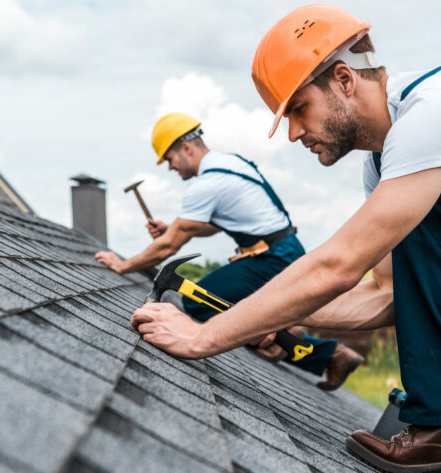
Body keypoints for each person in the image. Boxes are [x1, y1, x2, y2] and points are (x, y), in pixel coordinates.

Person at [130, 4, 441, 473]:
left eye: (299, 109)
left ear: (344, 80)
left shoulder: (433, 115)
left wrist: (206, 336)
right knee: (431, 218)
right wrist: (271, 317)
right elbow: (386, 294)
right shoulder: (391, 168)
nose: (292, 134)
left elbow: (338, 266)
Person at [95, 112, 364, 390]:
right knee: (229, 304)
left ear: (186, 148)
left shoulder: (207, 183)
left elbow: (169, 246)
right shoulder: (230, 164)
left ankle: (284, 339)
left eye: (170, 159)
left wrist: (123, 265)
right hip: (282, 250)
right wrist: (173, 228)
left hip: (270, 258)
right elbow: (211, 226)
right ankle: (310, 346)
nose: (170, 168)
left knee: (197, 302)